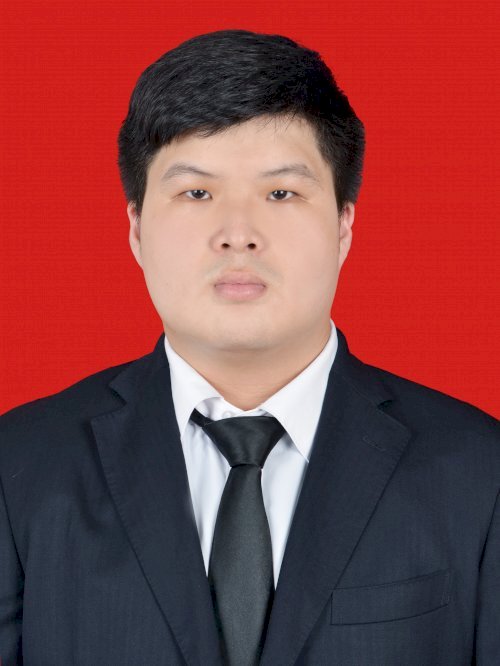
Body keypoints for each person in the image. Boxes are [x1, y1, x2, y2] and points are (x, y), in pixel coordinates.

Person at [0, 28, 498, 666]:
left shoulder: (479, 472)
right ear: (136, 228)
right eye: (197, 193)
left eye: (281, 193)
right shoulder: (21, 468)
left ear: (343, 225)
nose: (238, 234)